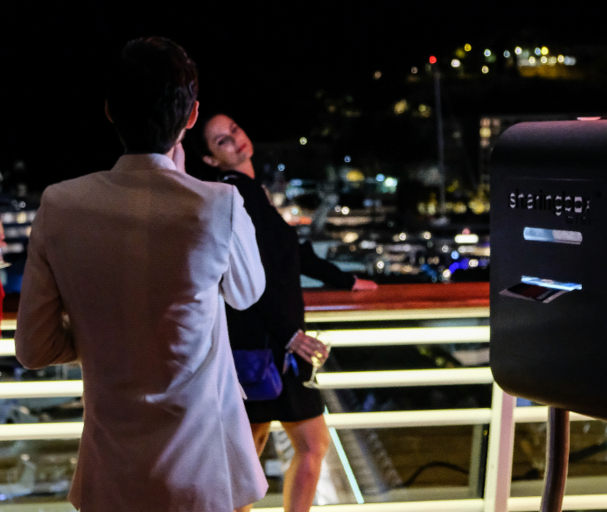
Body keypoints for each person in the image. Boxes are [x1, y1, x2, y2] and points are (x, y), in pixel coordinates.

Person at [14, 37, 269, 512]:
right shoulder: (217, 205)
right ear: (191, 116)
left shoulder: (60, 206)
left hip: (109, 479)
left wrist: (103, 326)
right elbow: (247, 293)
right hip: (203, 474)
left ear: (109, 110)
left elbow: (34, 350)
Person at [193, 112, 377, 512]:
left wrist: (346, 282)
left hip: (264, 345)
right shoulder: (235, 194)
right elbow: (251, 278)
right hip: (270, 345)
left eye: (235, 130)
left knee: (253, 449)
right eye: (222, 141)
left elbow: (289, 252)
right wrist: (290, 335)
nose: (236, 140)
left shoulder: (247, 192)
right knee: (303, 446)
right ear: (210, 159)